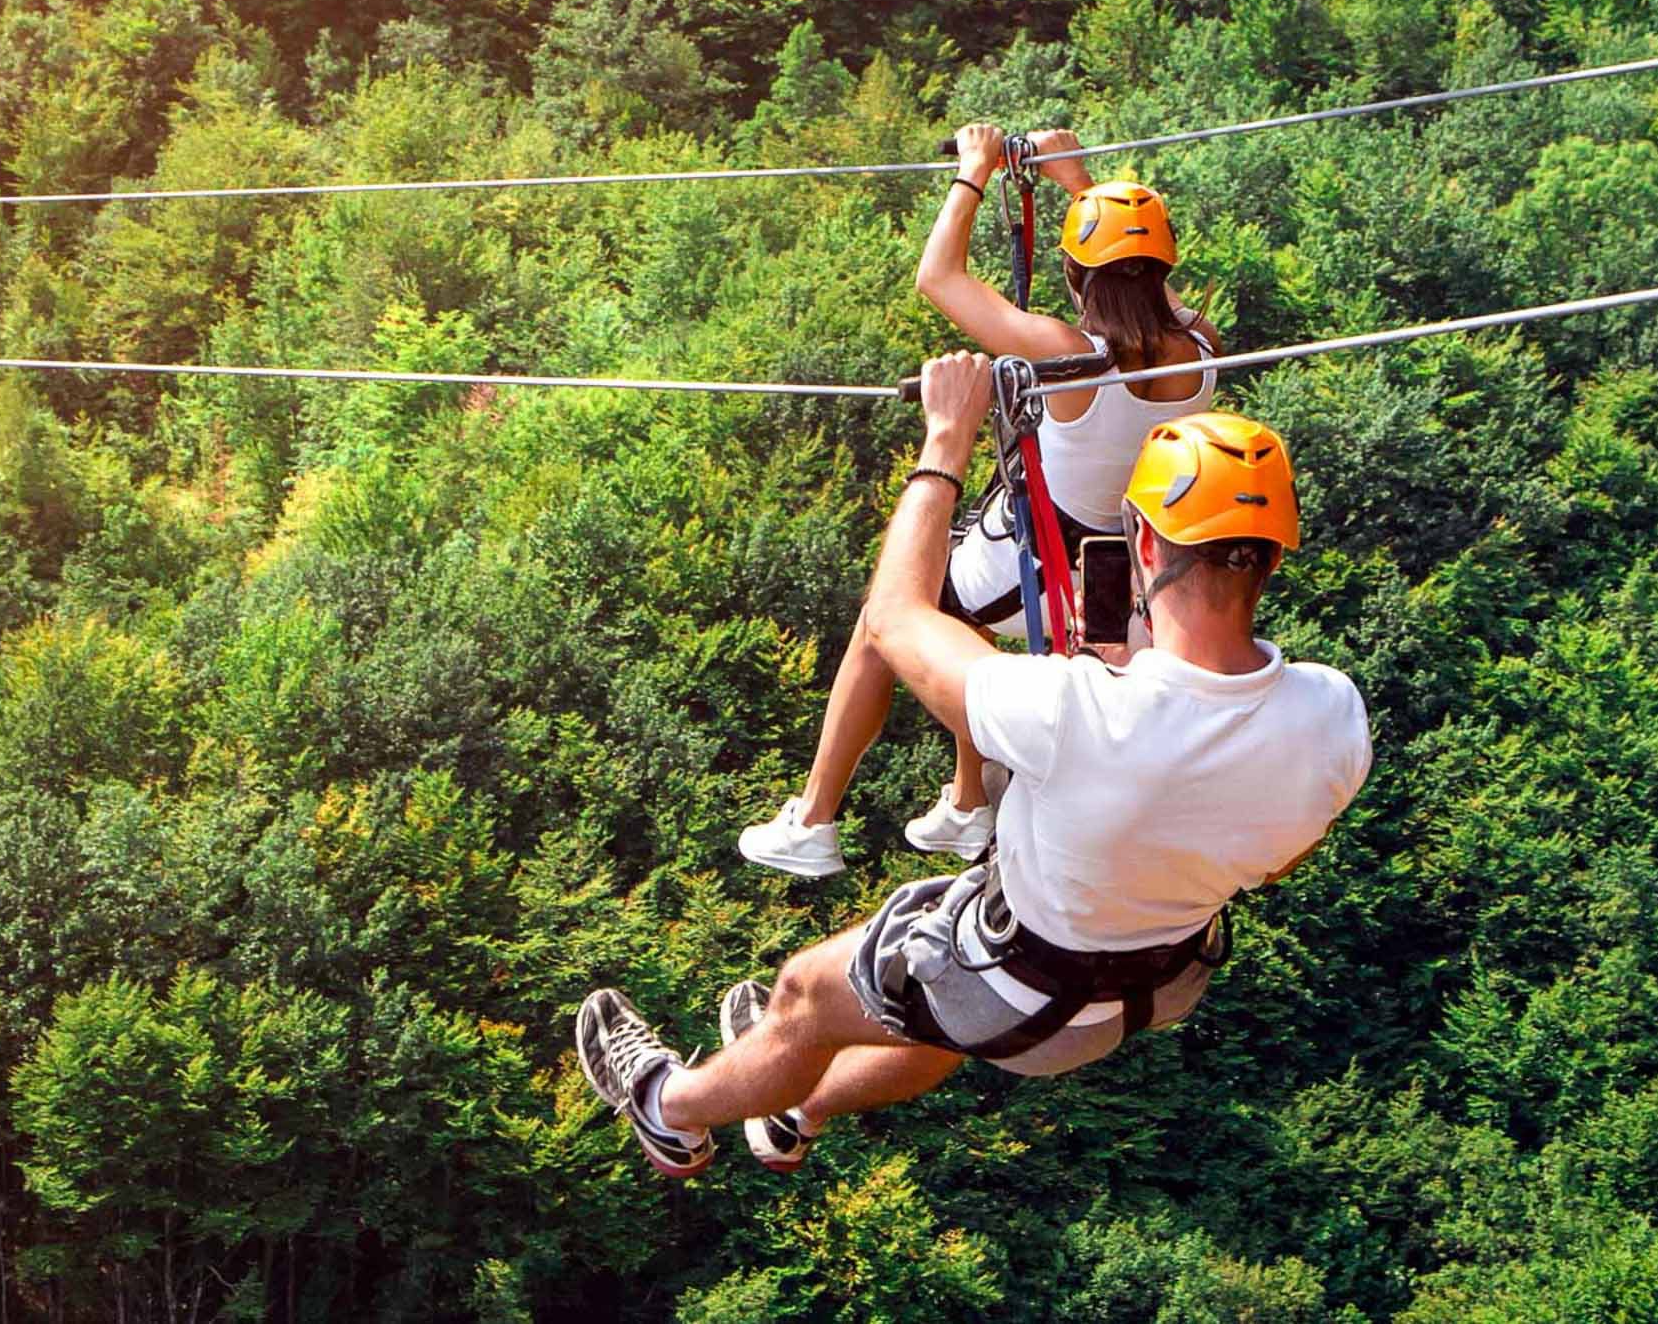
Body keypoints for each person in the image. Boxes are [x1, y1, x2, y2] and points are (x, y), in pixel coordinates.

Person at [580, 352, 1370, 1177]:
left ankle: (667, 1108)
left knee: (804, 996)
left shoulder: (1074, 709)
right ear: (1274, 557)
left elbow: (893, 618)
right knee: (932, 1015)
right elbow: (1281, 856)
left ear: (1140, 538)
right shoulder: (1332, 716)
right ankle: (796, 1111)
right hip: (1148, 989)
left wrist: (946, 440)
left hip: (1016, 985)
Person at [739, 122, 1225, 877]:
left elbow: (939, 277)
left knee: (885, 616)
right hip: (1116, 570)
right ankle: (969, 802)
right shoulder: (1203, 347)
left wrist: (973, 171)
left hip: (1039, 558)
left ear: (1075, 274)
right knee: (966, 621)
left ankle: (814, 818)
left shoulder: (1066, 354)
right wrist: (1078, 182)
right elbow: (1145, 285)